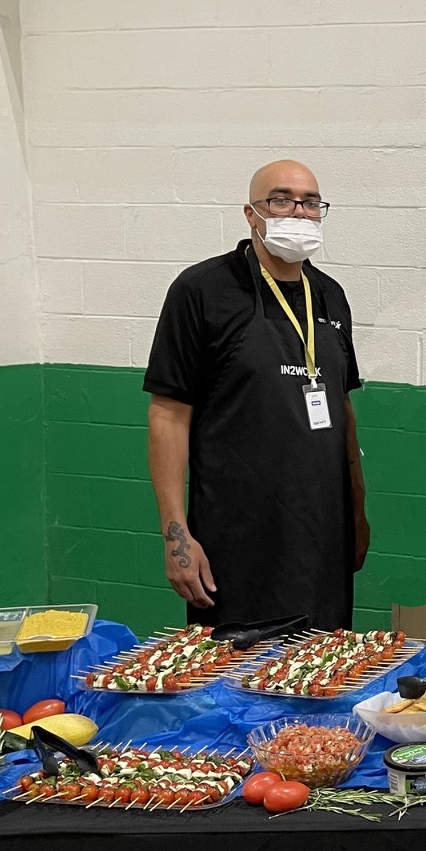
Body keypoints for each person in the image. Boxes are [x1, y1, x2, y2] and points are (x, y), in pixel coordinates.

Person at [144, 159, 369, 631]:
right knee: (238, 683)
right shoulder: (202, 291)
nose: (298, 212)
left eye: (310, 202)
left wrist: (358, 513)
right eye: (281, 200)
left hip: (324, 535)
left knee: (319, 677)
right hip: (237, 539)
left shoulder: (330, 295)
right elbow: (168, 414)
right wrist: (176, 535)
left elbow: (341, 408)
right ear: (251, 214)